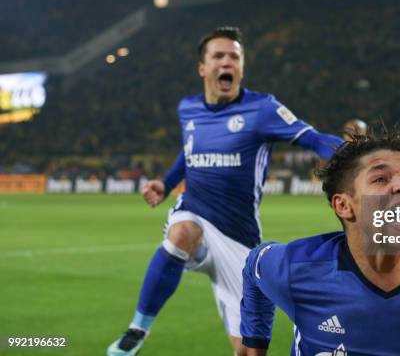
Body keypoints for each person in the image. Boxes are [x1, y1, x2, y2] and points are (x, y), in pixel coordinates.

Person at [107, 27, 343, 356]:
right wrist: (166, 182)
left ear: (241, 68)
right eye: (218, 56)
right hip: (196, 215)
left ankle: (201, 258)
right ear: (203, 68)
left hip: (240, 238)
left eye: (234, 56)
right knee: (182, 233)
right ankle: (137, 329)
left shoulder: (263, 109)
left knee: (248, 351)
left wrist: (352, 154)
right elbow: (188, 153)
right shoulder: (187, 109)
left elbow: (315, 139)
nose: (227, 61)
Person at [240, 127, 400, 355]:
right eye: (381, 179)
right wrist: (255, 344)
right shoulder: (298, 268)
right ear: (344, 206)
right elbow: (254, 263)